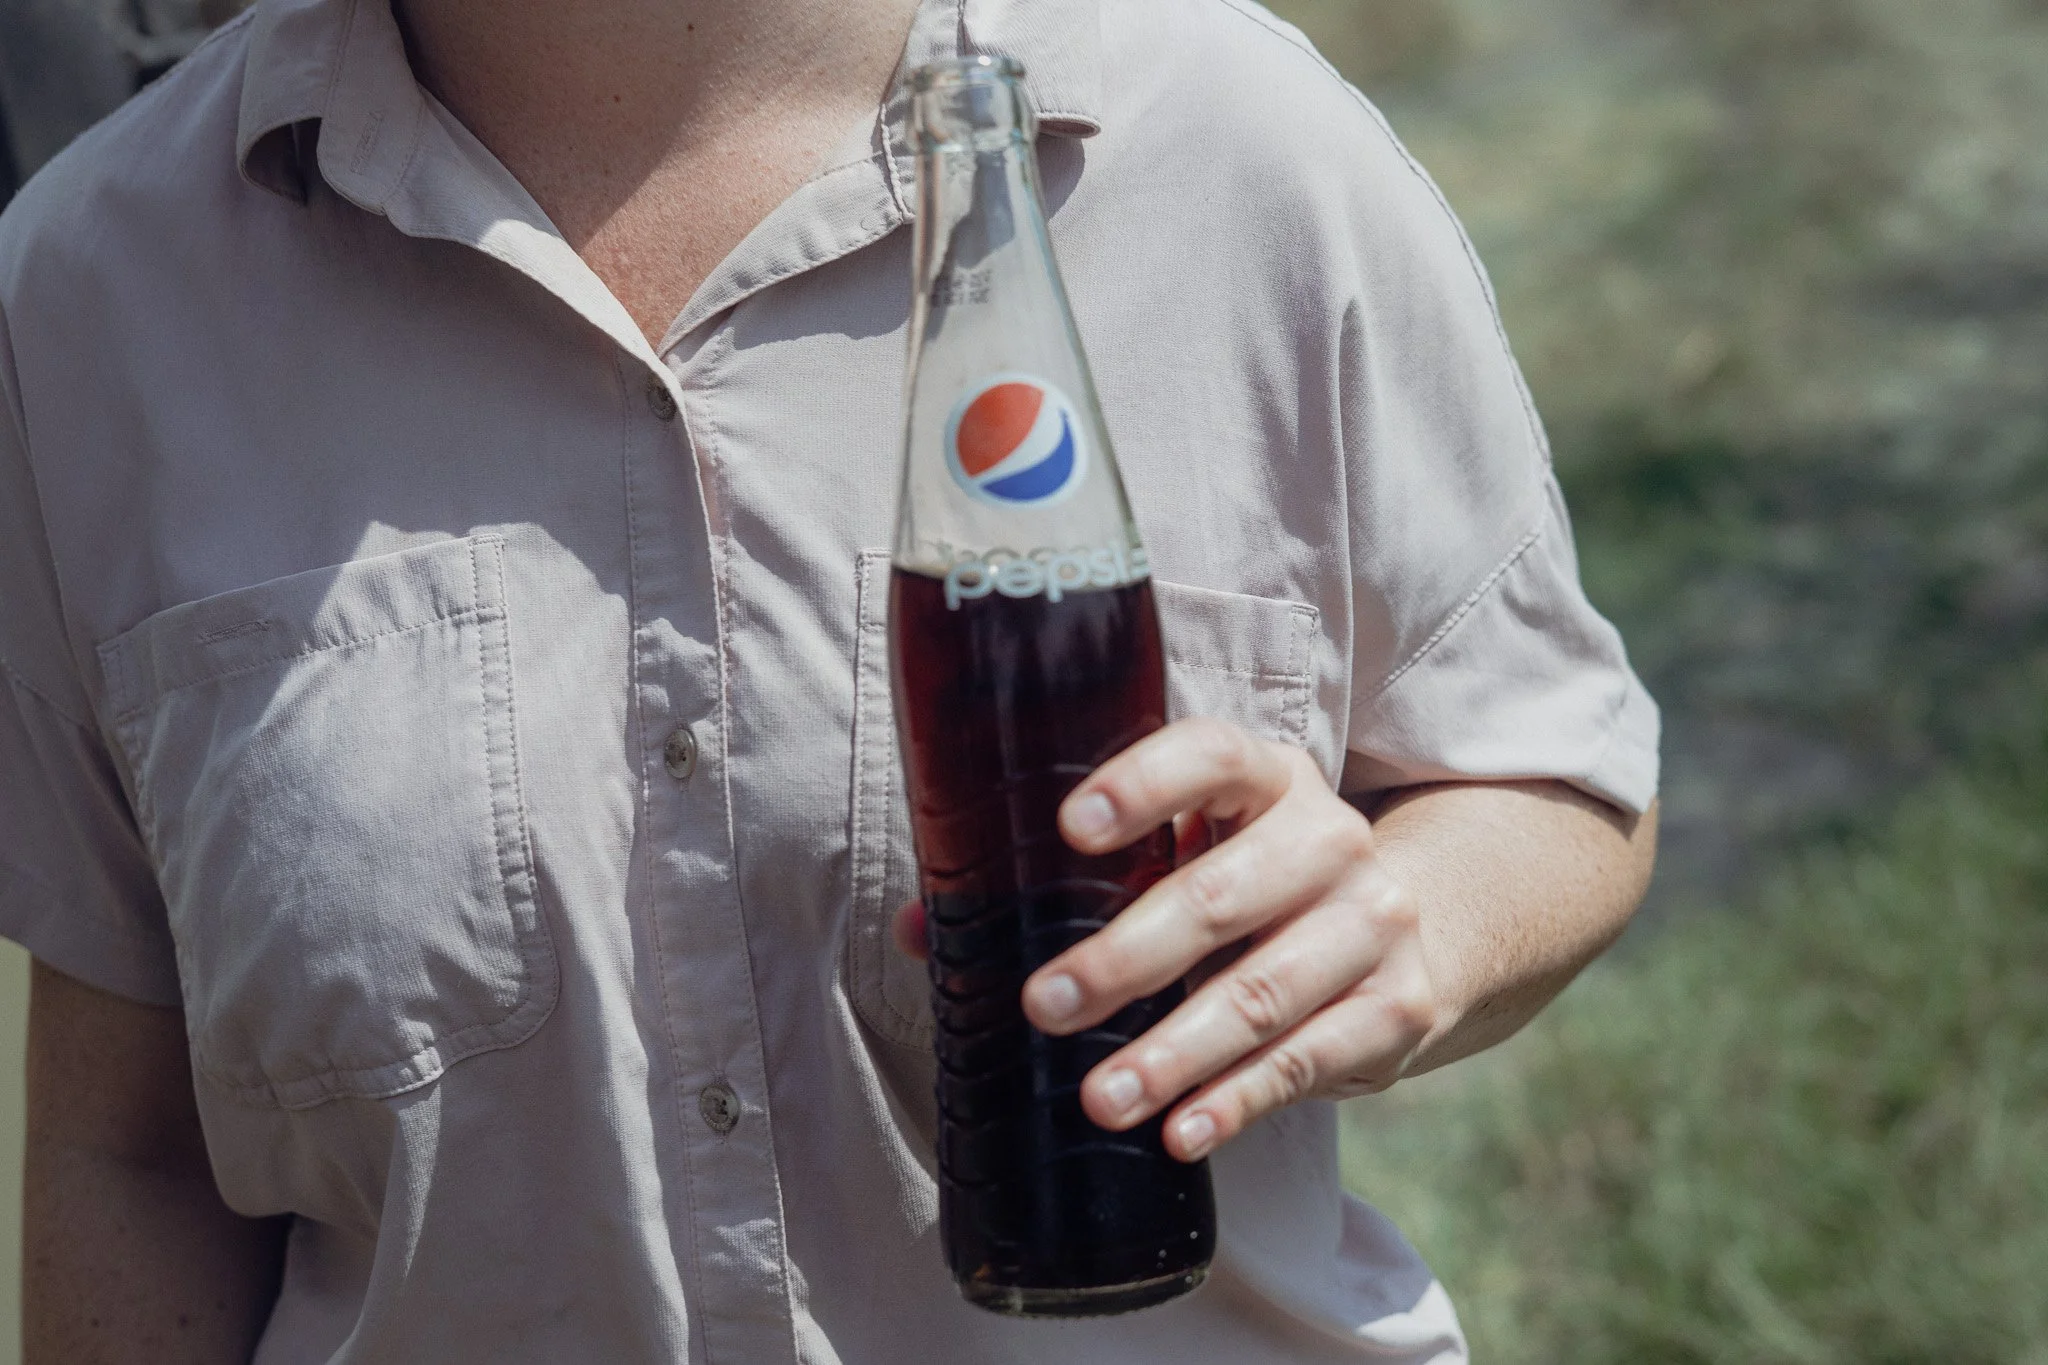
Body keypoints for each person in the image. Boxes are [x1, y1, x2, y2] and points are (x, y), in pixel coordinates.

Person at [0, 0, 1660, 1359]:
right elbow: (127, 1148)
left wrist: (1410, 923)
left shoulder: (1237, 145)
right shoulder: (94, 291)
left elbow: (1551, 778)